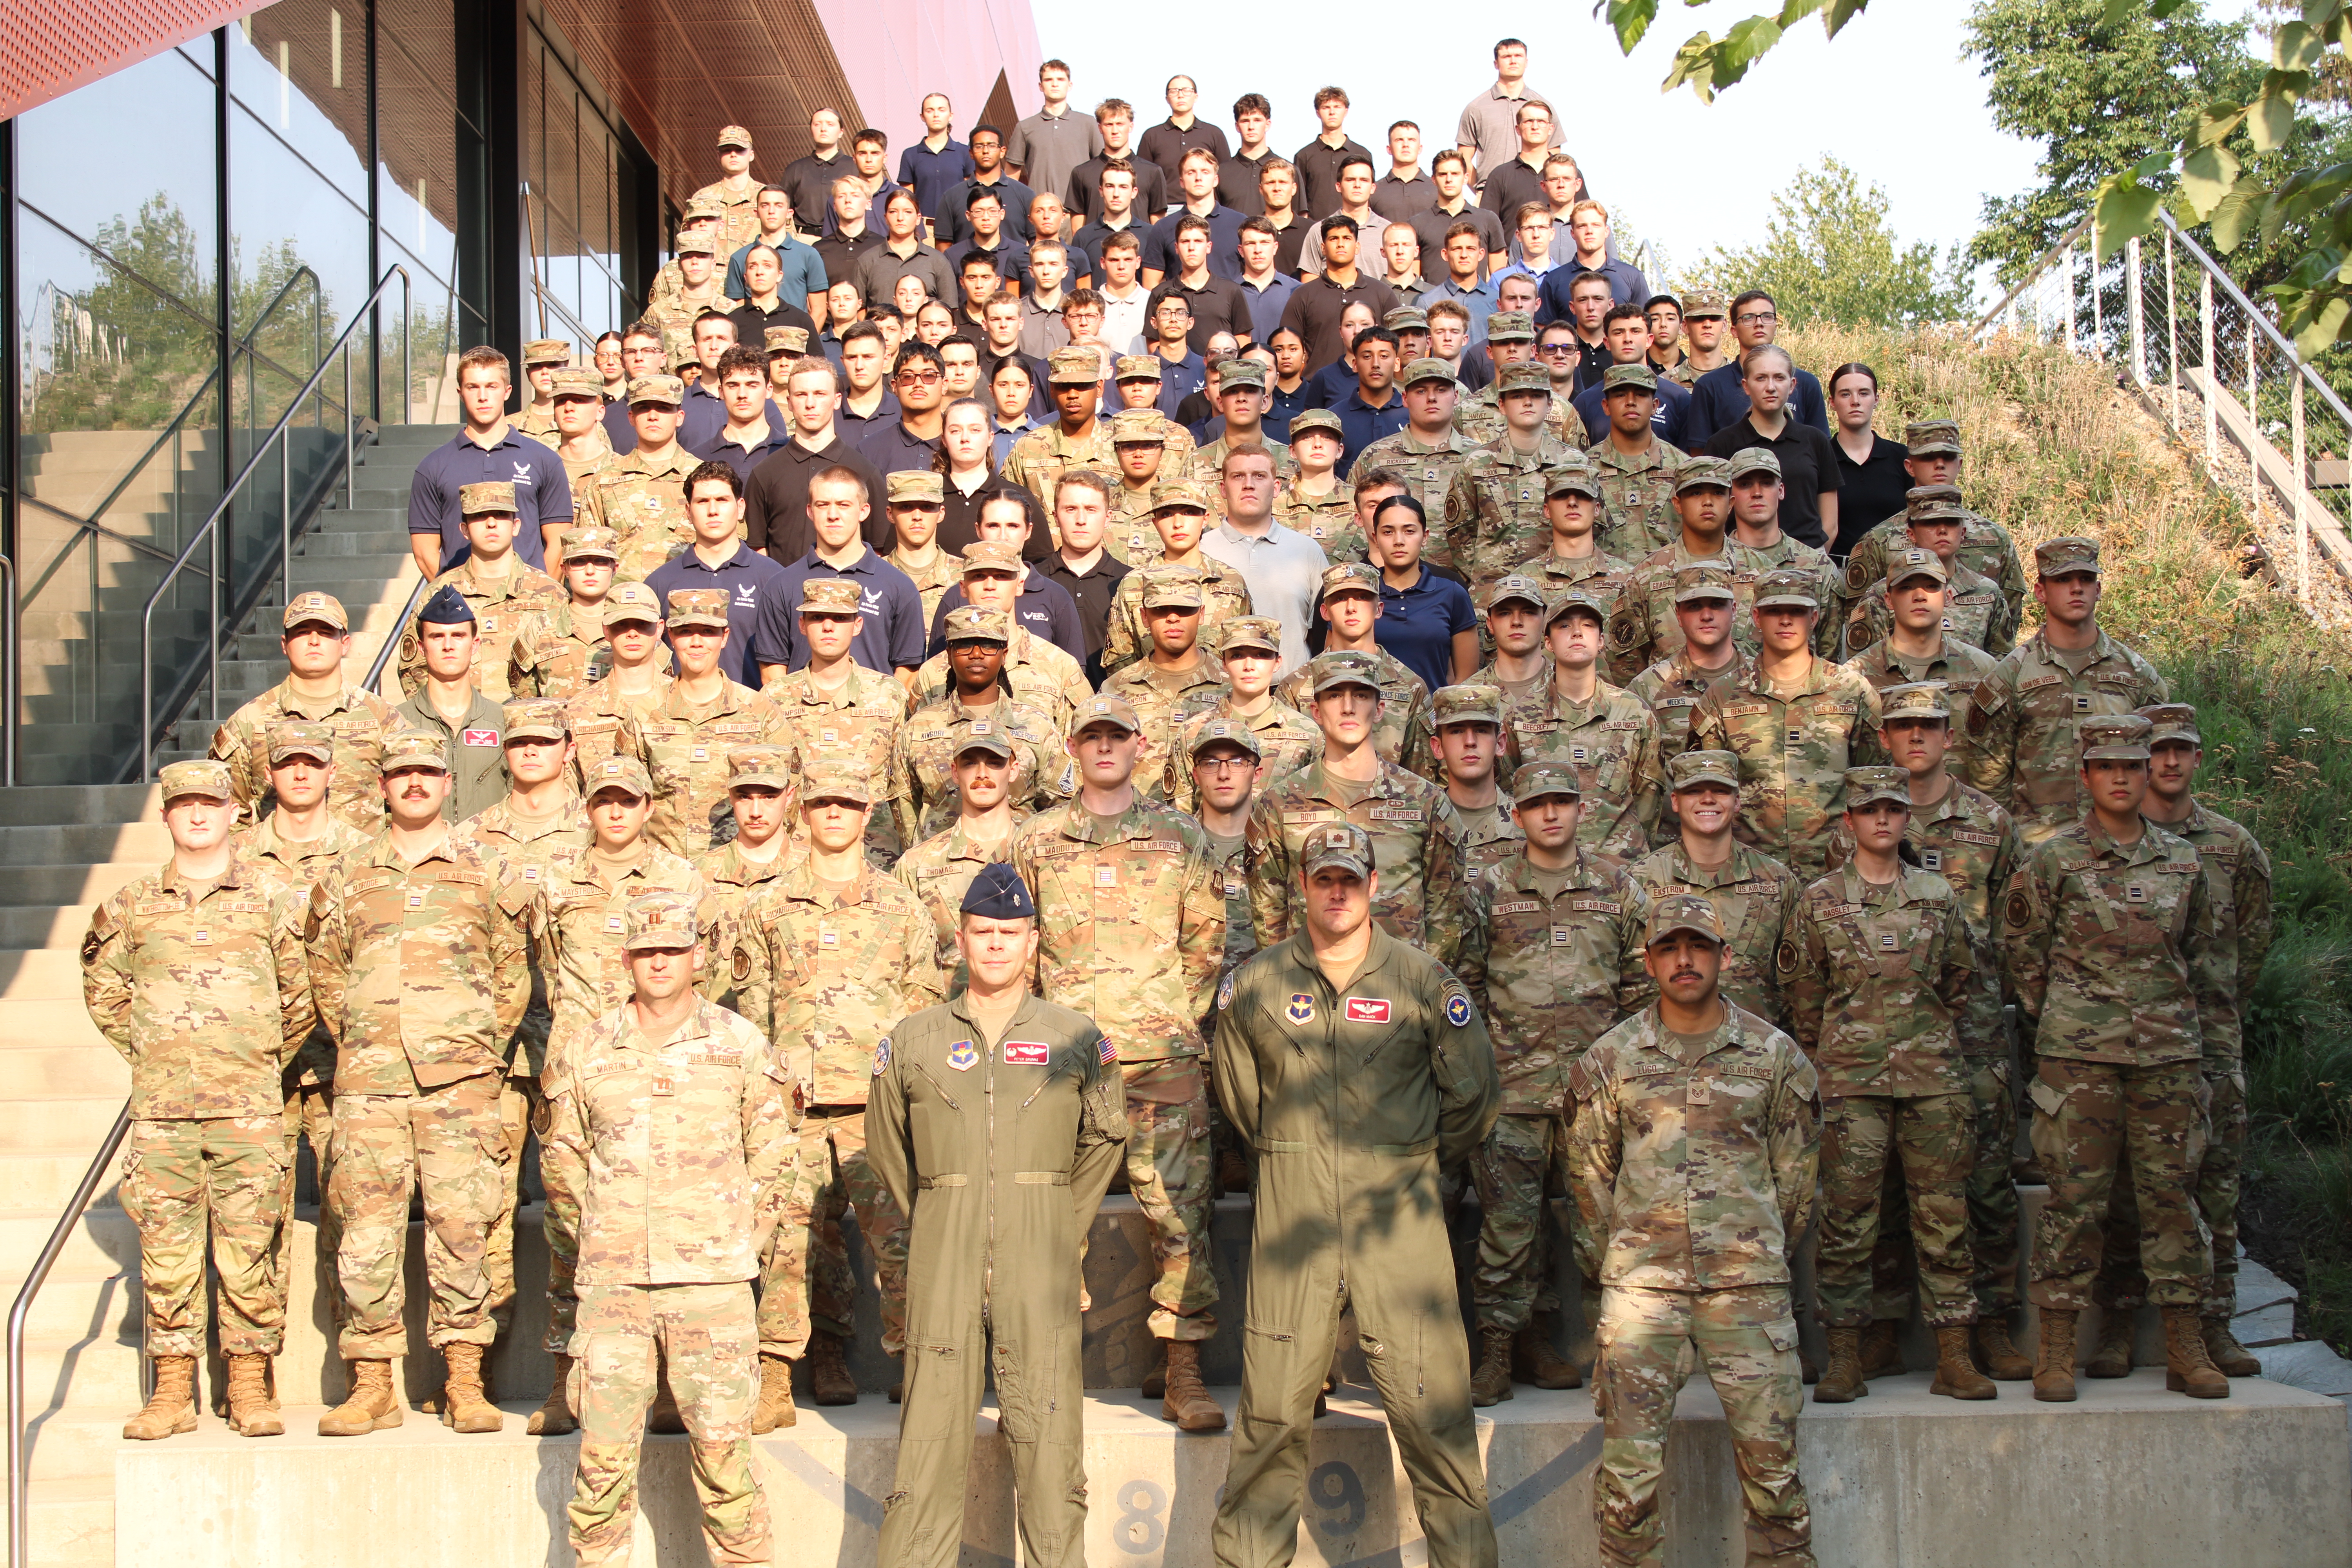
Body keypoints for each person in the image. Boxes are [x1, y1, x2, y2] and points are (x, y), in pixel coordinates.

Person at [1210, 818, 1499, 1568]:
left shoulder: (1425, 984)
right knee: (1271, 1421)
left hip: (1397, 1220)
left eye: (1350, 879)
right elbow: (1243, 1101)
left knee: (1435, 1423)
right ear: (1302, 888)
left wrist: (1406, 1162)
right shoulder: (1256, 985)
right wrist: (1296, 1157)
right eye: (1322, 879)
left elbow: (1470, 1100)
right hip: (1293, 1215)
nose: (1337, 892)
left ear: (1375, 887)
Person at [540, 891, 793, 1568]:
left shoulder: (737, 1044)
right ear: (626, 958)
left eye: (673, 950)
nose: (659, 962)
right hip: (615, 1288)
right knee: (601, 1467)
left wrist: (737, 1244)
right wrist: (594, 1244)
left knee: (726, 1466)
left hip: (712, 1290)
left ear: (697, 956)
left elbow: (772, 1158)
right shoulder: (589, 1046)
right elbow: (563, 1164)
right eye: (647, 951)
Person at [1568, 892, 1819, 1568]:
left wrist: (1756, 1251)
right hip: (1643, 1292)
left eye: (1700, 947)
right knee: (1627, 1484)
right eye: (1670, 948)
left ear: (1725, 957)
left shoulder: (1775, 1057)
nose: (1686, 960)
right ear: (1648, 962)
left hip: (1749, 1292)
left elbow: (1795, 1180)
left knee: (1775, 1478)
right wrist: (1622, 1259)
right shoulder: (1611, 1059)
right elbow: (1589, 1177)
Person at [1006, 696, 1230, 1429]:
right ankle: (1041, 1377)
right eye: (1091, 738)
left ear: (1141, 746)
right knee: (1045, 1224)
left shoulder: (1179, 835)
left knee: (1180, 1217)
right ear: (1072, 747)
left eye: (1117, 738)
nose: (1105, 749)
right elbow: (1019, 948)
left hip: (1160, 1056)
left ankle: (1182, 1372)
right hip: (1062, 1065)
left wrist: (1165, 1016)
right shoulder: (1036, 840)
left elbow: (1206, 945)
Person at [2001, 713, 2230, 1402]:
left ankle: (2186, 1342)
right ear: (2087, 776)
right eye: (2109, 767)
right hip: (2080, 1057)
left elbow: (2206, 956)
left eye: (2134, 766)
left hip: (2167, 1055)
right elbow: (2023, 953)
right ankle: (2059, 1346)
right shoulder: (2054, 859)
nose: (2123, 777)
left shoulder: (2185, 861)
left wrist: (2169, 1018)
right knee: (2076, 1200)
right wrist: (2073, 1016)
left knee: (2170, 1198)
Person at [305, 728, 528, 1436]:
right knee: (366, 1232)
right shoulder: (346, 874)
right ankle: (371, 1384)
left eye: (427, 773)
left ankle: (465, 1376)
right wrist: (365, 1042)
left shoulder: (484, 869)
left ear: (445, 783)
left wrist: (473, 1048)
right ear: (381, 785)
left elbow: (513, 971)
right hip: (369, 1080)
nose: (414, 783)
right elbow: (325, 971)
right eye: (400, 773)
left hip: (459, 1082)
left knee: (463, 1228)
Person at [86, 759, 312, 1442]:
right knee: (168, 1252)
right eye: (183, 805)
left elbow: (301, 997)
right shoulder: (130, 905)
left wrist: (254, 1060)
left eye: (209, 805)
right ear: (166, 817)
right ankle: (174, 1387)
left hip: (248, 1107)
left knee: (250, 1249)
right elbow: (104, 991)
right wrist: (158, 1054)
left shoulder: (271, 897)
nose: (197, 816)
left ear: (232, 814)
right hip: (164, 1114)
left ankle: (248, 1380)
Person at [1831, 683, 2031, 1386]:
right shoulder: (1852, 826)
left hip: (1968, 1035)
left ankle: (1993, 1325)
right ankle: (1884, 1328)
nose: (1917, 735)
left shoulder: (1989, 821)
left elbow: (2017, 926)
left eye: (1931, 724)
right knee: (1878, 1193)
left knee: (1984, 1188)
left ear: (1952, 735)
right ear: (1883, 737)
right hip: (1876, 1041)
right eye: (1903, 725)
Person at [733, 758, 945, 1411]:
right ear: (804, 811)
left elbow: (922, 1009)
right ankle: (778, 1374)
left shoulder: (902, 907)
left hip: (874, 1110)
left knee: (902, 1243)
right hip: (794, 1109)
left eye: (848, 805)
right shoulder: (767, 907)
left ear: (867, 817)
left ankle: (916, 1368)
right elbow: (752, 1013)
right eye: (823, 802)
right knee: (785, 1246)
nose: (834, 814)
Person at [515, 752, 710, 1420]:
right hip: (579, 1081)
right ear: (588, 808)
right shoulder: (558, 880)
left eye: (629, 800)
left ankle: (658, 1381)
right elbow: (542, 966)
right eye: (605, 801)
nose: (617, 812)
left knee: (659, 1226)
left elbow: (698, 975)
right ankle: (568, 1375)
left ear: (649, 807)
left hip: (660, 1077)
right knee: (572, 1228)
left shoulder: (681, 880)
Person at [1782, 766, 1987, 1403]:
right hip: (1852, 1083)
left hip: (1933, 1081)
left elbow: (1959, 980)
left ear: (1906, 820)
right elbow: (1804, 994)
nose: (1881, 820)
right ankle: (1845, 1356)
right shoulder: (1820, 899)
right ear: (1850, 821)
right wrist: (1840, 1055)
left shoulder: (1936, 896)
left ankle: (1955, 1354)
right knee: (1846, 1222)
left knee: (1945, 1218)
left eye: (1893, 810)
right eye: (1869, 810)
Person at [1461, 758, 1646, 1405]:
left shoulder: (1618, 886)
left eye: (1562, 802)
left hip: (1593, 1097)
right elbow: (1468, 983)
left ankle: (1616, 1355)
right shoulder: (1488, 887)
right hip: (1512, 1093)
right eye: (1537, 804)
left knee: (1603, 1232)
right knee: (1509, 1231)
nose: (1550, 813)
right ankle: (1501, 1354)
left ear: (1579, 810)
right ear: (1517, 815)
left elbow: (1638, 990)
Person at [2102, 702, 2274, 1378]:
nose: (2171, 762)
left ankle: (2215, 1322)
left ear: (2198, 758)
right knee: (2122, 1185)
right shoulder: (2111, 847)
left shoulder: (2233, 849)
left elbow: (2252, 946)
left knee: (2216, 1186)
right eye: (2159, 751)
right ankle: (2118, 1320)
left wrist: (2216, 1016)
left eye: (2183, 750)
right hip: (2130, 1040)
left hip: (2210, 1041)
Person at [1248, 649, 1467, 963]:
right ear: (1317, 711)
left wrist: (1421, 987)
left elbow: (1445, 916)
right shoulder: (1278, 805)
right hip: (1308, 993)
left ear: (1379, 710)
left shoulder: (1425, 802)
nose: (1348, 708)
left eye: (1361, 696)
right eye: (1335, 696)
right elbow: (1269, 916)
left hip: (1401, 991)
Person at [1966, 537, 2168, 844]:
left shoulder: (2136, 674)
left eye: (2086, 579)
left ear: (2098, 591)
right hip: (2040, 851)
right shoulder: (2011, 676)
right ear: (2040, 592)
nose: (2077, 589)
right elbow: (1989, 780)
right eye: (2063, 580)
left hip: (2122, 851)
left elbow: (2160, 764)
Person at [1689, 569, 1887, 880]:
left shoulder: (1852, 691)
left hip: (1838, 869)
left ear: (1815, 617)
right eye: (1774, 611)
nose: (1785, 620)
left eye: (1796, 611)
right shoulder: (1723, 696)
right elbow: (1707, 787)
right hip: (1750, 871)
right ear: (1756, 617)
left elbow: (1873, 781)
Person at [1626, 751, 1802, 1025]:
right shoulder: (1639, 881)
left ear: (1737, 802)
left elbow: (1798, 984)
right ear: (1675, 801)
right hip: (1664, 1053)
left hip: (1755, 1054)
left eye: (1720, 791)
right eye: (1694, 791)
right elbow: (1629, 978)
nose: (1707, 799)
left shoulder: (1777, 882)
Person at [617, 588, 795, 855]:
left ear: (724, 637)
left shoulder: (760, 712)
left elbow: (792, 792)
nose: (697, 642)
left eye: (708, 632)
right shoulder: (644, 713)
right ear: (671, 637)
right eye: (686, 632)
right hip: (664, 871)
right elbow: (626, 794)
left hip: (736, 873)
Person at [209, 591, 392, 833]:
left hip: (361, 867)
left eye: (326, 632)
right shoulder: (250, 722)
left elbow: (406, 803)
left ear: (345, 644)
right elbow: (229, 814)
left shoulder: (381, 717)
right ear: (285, 644)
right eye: (302, 632)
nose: (314, 641)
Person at [762, 576, 913, 863]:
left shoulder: (889, 695)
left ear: (857, 626)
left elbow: (903, 783)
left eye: (840, 618)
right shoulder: (774, 698)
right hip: (795, 853)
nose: (828, 627)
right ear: (802, 625)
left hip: (874, 852)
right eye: (818, 617)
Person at [897, 607, 1078, 840]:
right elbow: (904, 807)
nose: (976, 654)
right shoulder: (920, 728)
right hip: (940, 869)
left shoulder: (1036, 726)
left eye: (988, 645)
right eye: (965, 645)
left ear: (1004, 655)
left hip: (1017, 866)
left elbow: (1060, 805)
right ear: (949, 655)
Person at [1835, 421, 2027, 634]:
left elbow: (2008, 616)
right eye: (1928, 457)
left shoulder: (1995, 538)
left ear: (1960, 464)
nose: (1940, 465)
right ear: (1909, 467)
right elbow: (1862, 619)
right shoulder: (1879, 540)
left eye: (1948, 457)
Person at [408, 345, 572, 576]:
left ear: (507, 391)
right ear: (460, 393)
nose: (483, 396)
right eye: (473, 387)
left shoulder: (545, 461)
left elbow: (558, 544)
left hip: (531, 605)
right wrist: (456, 600)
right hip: (462, 607)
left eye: (492, 387)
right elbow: (425, 552)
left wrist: (540, 596)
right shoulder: (433, 467)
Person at [754, 466, 927, 681]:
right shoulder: (781, 585)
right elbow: (772, 671)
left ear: (864, 511)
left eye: (844, 505)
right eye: (823, 505)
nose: (833, 515)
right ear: (810, 511)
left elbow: (909, 672)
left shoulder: (899, 586)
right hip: (801, 713)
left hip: (875, 714)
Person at [891, 726, 1032, 985]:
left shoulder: (1037, 855)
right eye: (970, 763)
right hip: (944, 1016)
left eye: (994, 762)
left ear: (1013, 770)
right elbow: (899, 959)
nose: (982, 774)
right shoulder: (917, 866)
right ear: (956, 772)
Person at [1840, 546, 2002, 759]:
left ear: (1948, 596)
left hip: (1960, 792)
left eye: (1932, 586)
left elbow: (2000, 753)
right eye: (1906, 587)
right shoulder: (1855, 677)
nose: (1919, 596)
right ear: (1888, 600)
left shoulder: (1983, 670)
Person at [642, 461, 791, 686]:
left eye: (722, 500)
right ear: (688, 512)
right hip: (680, 715)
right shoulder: (660, 582)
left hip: (750, 716)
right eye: (703, 502)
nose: (713, 511)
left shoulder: (774, 578)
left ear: (740, 508)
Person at [1444, 362, 1580, 592]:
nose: (1528, 402)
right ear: (1502, 405)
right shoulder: (1477, 463)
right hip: (1493, 596)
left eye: (1536, 395)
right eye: (1517, 395)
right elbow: (1459, 531)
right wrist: (1482, 576)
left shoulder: (1574, 463)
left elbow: (1591, 529)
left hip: (1557, 594)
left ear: (1549, 404)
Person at [1842, 490, 2016, 661]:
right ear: (1911, 534)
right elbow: (1863, 668)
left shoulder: (1987, 592)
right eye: (1931, 522)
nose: (1942, 530)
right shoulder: (1883, 594)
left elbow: (2001, 667)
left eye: (1951, 522)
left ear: (1963, 532)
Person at [1102, 481, 1254, 673]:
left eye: (1189, 513)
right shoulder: (1134, 584)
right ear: (1154, 523)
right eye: (1167, 515)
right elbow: (1121, 665)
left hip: (1218, 697)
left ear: (1206, 519)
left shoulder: (1230, 581)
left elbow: (1245, 653)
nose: (1178, 524)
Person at [1201, 444, 1328, 673]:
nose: (1249, 484)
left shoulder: (1307, 551)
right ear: (1223, 488)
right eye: (1238, 476)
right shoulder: (1200, 549)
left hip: (1292, 694)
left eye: (1259, 476)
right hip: (1217, 694)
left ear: (1277, 487)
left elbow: (1324, 631)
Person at [1101, 565, 1227, 795]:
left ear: (1201, 614)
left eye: (1184, 609)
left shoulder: (1230, 685)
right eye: (1161, 609)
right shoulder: (1117, 687)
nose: (1172, 618)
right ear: (1144, 617)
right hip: (1137, 823)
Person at [1702, 347, 1842, 552]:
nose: (1771, 387)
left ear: (1792, 385)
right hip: (1742, 563)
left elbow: (1830, 523)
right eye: (1761, 378)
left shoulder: (1815, 440)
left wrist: (1812, 562)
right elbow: (1713, 513)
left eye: (1779, 378)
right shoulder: (1722, 444)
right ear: (1746, 385)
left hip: (1807, 564)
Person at [394, 587, 511, 825]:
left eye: (458, 636)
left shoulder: (504, 721)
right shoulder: (396, 723)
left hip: (489, 855)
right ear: (421, 646)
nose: (448, 645)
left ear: (475, 644)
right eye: (437, 637)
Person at [575, 373, 699, 582]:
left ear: (680, 417)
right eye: (644, 408)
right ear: (631, 417)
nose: (653, 416)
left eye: (663, 408)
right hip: (619, 607)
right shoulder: (604, 481)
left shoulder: (704, 479)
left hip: (685, 605)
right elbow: (586, 551)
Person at [1624, 561, 1748, 757]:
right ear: (1679, 615)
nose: (1706, 616)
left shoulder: (1763, 678)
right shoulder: (1648, 688)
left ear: (1734, 611)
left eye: (1717, 605)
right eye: (1695, 606)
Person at [1686, 291, 1830, 445]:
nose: (1759, 323)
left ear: (1776, 325)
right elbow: (1700, 456)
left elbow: (1821, 448)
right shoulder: (1710, 386)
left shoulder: (1807, 383)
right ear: (1733, 330)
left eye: (1767, 316)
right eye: (1748, 318)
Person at [1366, 495, 1477, 695]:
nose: (1399, 541)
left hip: (1433, 720)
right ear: (1375, 538)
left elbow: (1466, 680)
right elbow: (1336, 665)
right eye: (1388, 532)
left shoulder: (1451, 594)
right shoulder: (1360, 594)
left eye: (1409, 531)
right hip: (1372, 719)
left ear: (1425, 537)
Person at [561, 583, 670, 778]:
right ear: (606, 630)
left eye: (643, 624)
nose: (632, 633)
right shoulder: (577, 711)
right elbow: (570, 789)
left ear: (660, 628)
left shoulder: (683, 700)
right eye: (621, 624)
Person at [1004, 347, 1121, 517]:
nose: (1072, 394)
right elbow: (1010, 511)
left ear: (1100, 388)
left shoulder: (1122, 447)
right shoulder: (1028, 448)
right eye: (1064, 386)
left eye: (1082, 385)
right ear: (1052, 390)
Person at [1038, 469, 1131, 679]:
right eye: (1071, 509)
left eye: (1091, 510)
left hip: (1113, 706)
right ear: (1056, 517)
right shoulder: (1032, 581)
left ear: (1108, 518)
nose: (1081, 520)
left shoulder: (1130, 583)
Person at [1277, 217, 1398, 374]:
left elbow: (1397, 345)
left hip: (1373, 387)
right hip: (1318, 389)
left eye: (1347, 238)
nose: (1340, 244)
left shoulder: (1382, 293)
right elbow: (1288, 347)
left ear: (1357, 247)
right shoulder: (1303, 295)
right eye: (1334, 239)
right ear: (1323, 248)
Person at [1828, 365, 1912, 558]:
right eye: (1845, 394)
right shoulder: (1820, 458)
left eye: (1864, 393)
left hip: (1897, 574)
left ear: (1876, 399)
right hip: (1835, 574)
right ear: (1832, 402)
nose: (1855, 402)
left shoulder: (1903, 458)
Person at [1007, 59, 1104, 214]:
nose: (1055, 84)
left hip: (1079, 213)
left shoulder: (1088, 124)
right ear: (1041, 86)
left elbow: (1101, 170)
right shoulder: (1025, 127)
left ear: (1070, 85)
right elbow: (1011, 178)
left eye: (1060, 79)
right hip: (1040, 213)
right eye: (1048, 80)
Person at [724, 187, 828, 316]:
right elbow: (737, 312)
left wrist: (806, 336)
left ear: (789, 213)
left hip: (797, 333)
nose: (771, 211)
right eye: (765, 206)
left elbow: (819, 311)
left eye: (778, 206)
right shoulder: (739, 258)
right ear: (756, 212)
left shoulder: (809, 255)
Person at [1272, 409, 1358, 558]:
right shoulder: (1274, 504)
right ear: (1292, 451)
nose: (1318, 444)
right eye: (1307, 438)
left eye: (1327, 437)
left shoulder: (1360, 502)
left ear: (1340, 450)